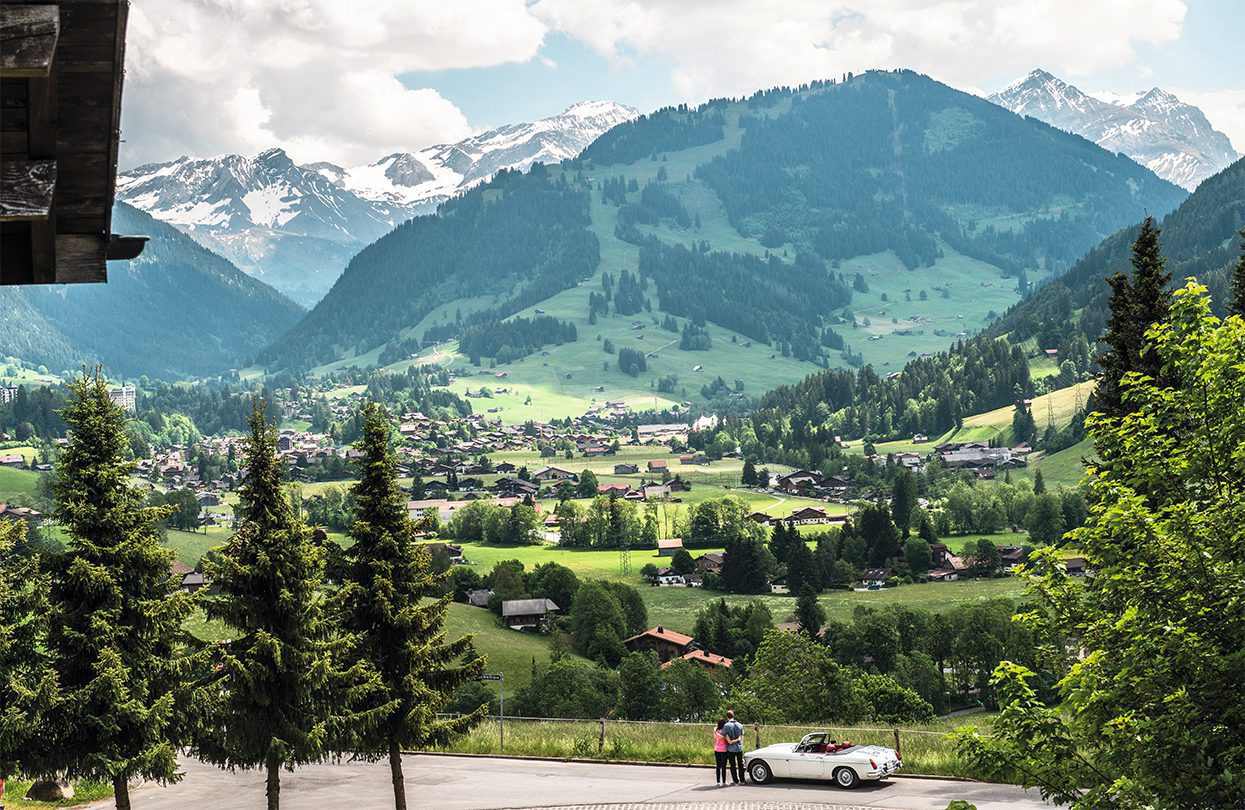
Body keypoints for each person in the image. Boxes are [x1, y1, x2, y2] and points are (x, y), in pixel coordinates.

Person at [723, 710, 745, 784]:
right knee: (740, 764)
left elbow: (727, 739)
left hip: (731, 748)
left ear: (727, 717)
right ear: (733, 715)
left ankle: (735, 780)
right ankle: (742, 779)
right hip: (739, 748)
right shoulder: (740, 725)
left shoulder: (726, 726)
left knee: (732, 765)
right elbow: (741, 737)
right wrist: (739, 741)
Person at [713, 719, 728, 785]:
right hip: (724, 749)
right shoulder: (724, 731)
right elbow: (724, 739)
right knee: (723, 766)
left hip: (716, 749)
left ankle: (718, 781)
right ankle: (724, 781)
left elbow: (715, 739)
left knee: (718, 766)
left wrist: (715, 732)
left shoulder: (715, 731)